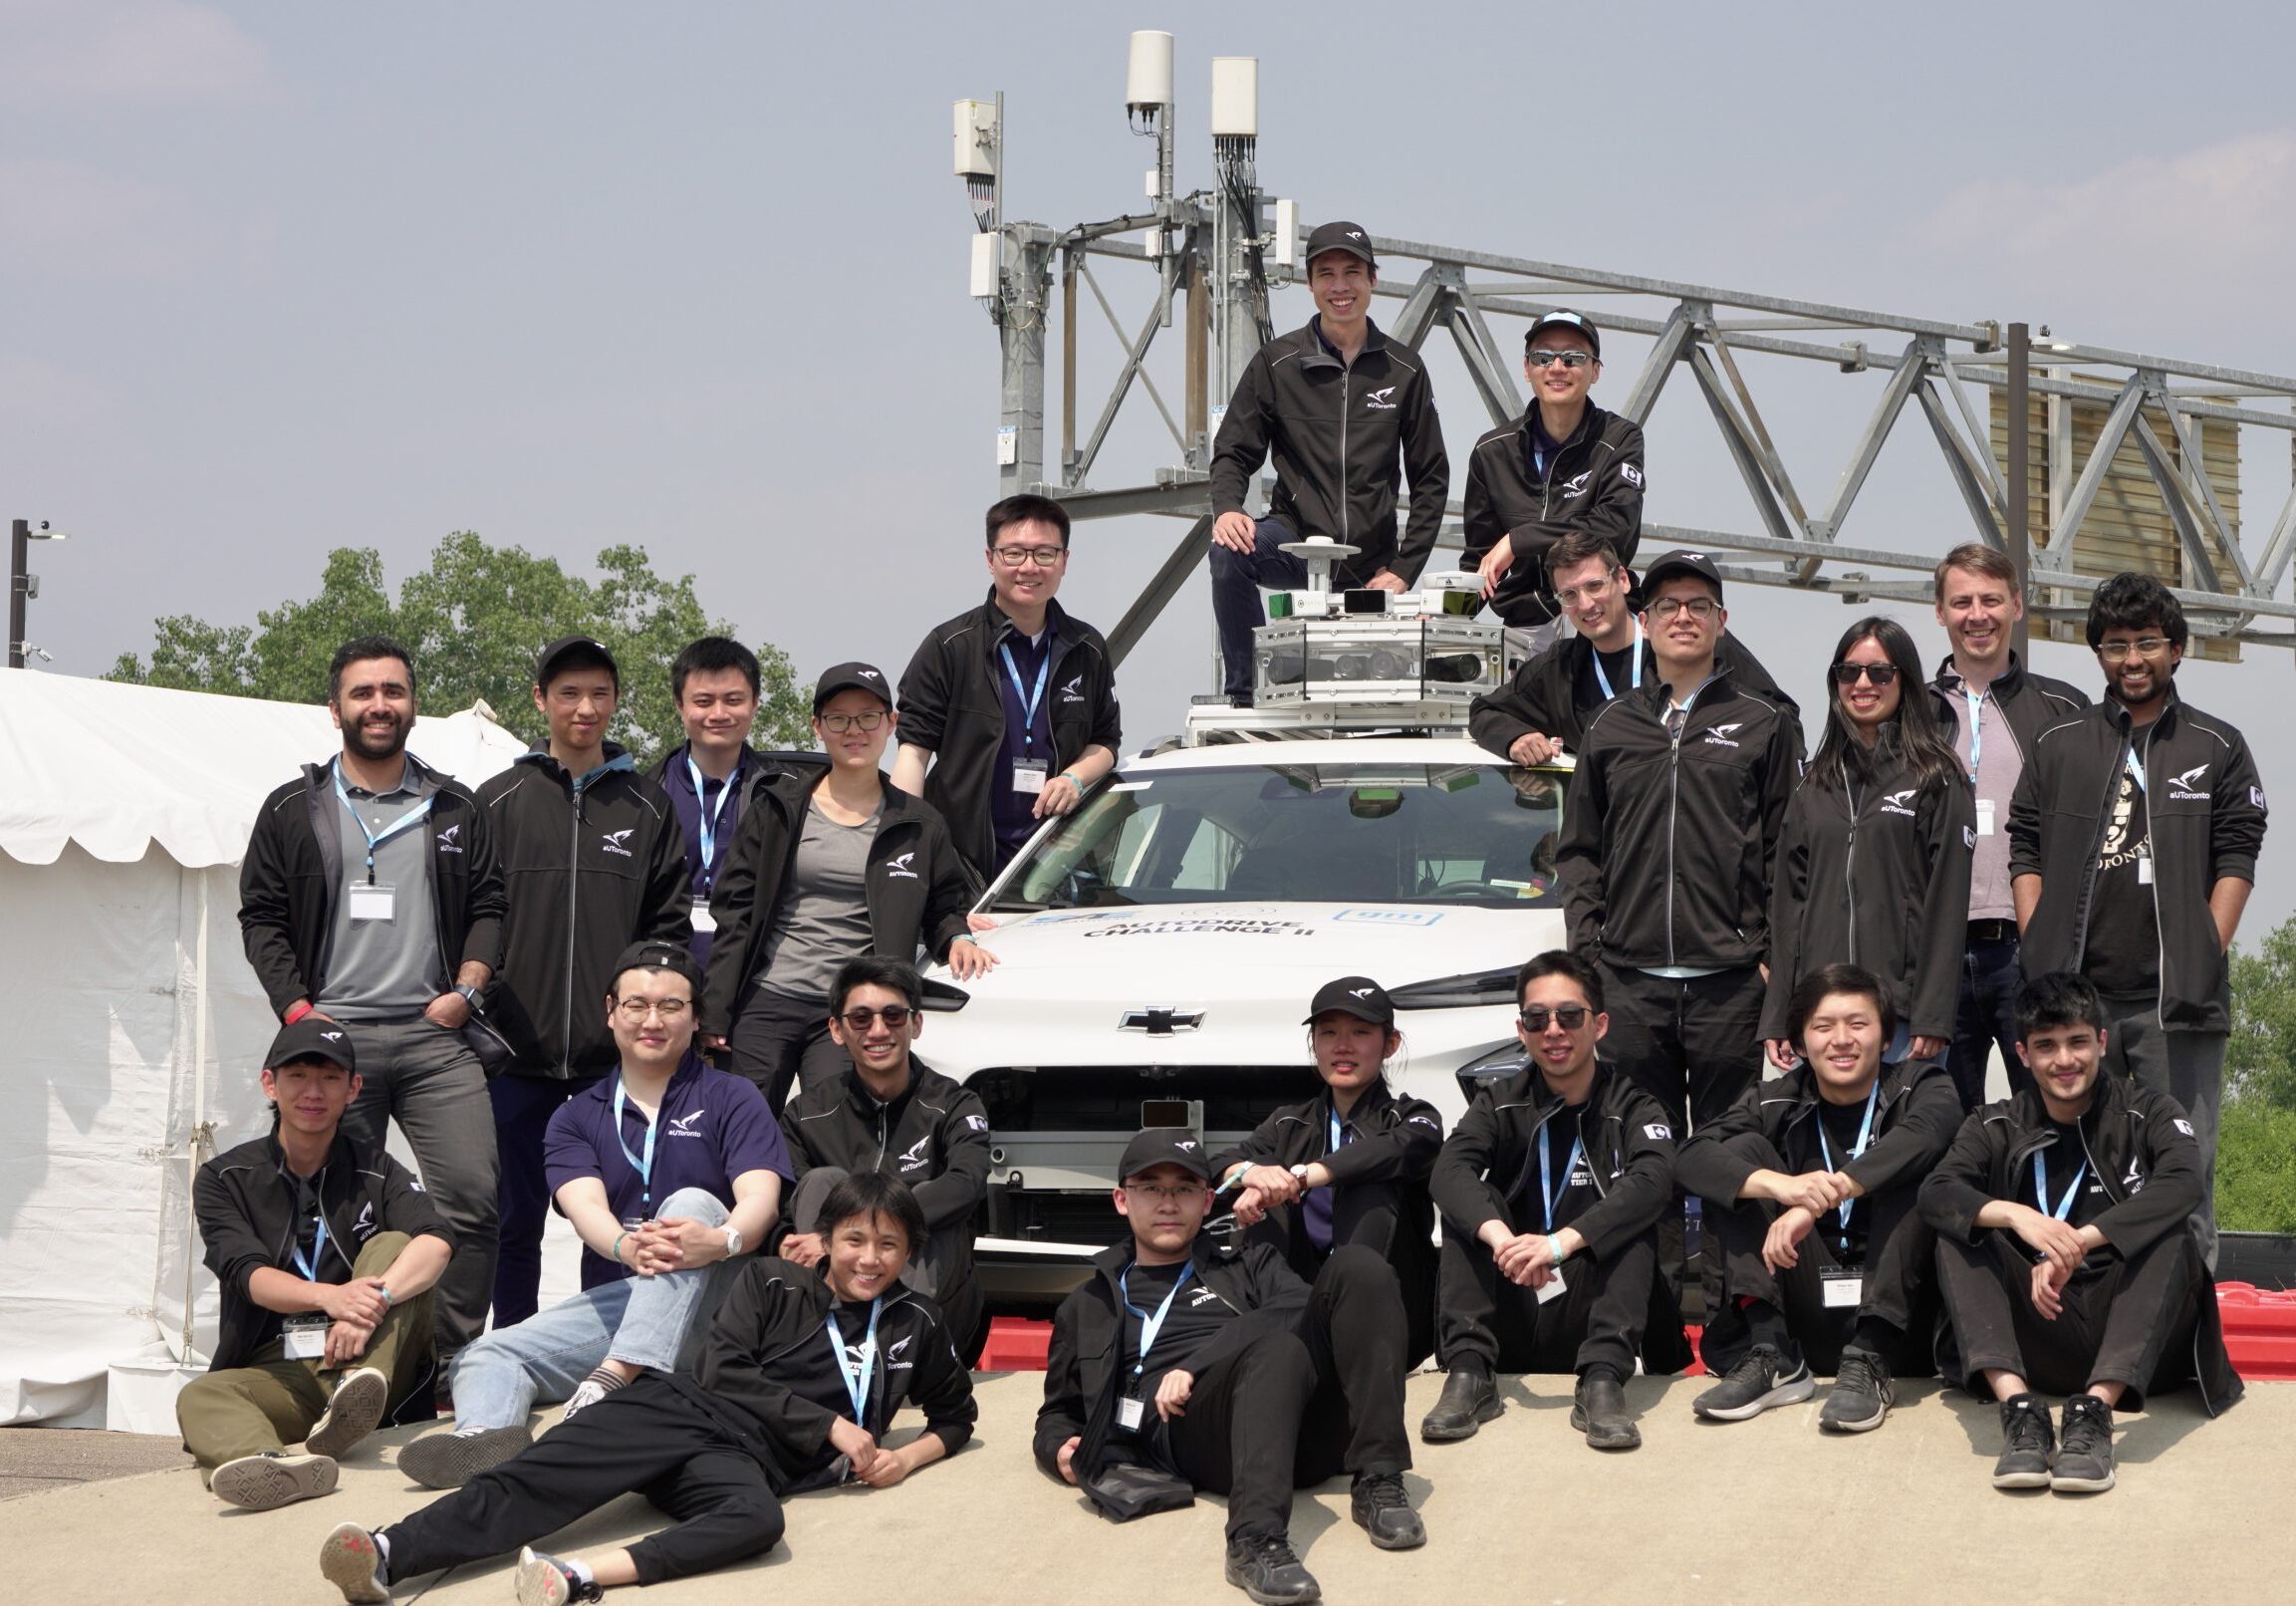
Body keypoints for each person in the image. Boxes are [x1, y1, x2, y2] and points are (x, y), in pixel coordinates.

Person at [319, 1173, 975, 1604]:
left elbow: (954, 1416)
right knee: (540, 1475)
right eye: (854, 1239)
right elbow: (722, 1370)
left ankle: (577, 1578)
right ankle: (385, 1552)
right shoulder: (773, 1281)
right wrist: (830, 1425)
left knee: (757, 1521)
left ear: (909, 1250)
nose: (870, 1258)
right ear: (823, 1242)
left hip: (747, 1463)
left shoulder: (916, 1322)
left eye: (888, 1244)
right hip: (680, 1410)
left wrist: (904, 1456)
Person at [397, 942, 791, 1490]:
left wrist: (721, 1241)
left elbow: (760, 1199)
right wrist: (628, 1249)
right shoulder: (575, 1116)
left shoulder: (734, 1096)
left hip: (719, 1303)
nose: (652, 1020)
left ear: (696, 1016)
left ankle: (615, 1378)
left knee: (690, 1207)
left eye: (671, 1006)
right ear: (611, 1011)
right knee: (485, 1352)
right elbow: (586, 1210)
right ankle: (485, 1441)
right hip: (624, 1301)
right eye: (637, 1005)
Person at [237, 636, 504, 1368]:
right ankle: (332, 1364)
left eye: (393, 690)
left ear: (414, 705)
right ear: (335, 710)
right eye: (363, 693)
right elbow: (259, 916)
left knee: (472, 1200)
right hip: (331, 1042)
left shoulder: (455, 806)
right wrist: (297, 1012)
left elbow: (489, 903)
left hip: (433, 1037)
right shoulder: (293, 808)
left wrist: (468, 989)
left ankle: (447, 1366)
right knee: (323, 1204)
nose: (379, 705)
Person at [1036, 1128, 1424, 1606]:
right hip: (1193, 1430)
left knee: (1359, 1266)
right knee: (1276, 1351)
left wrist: (1198, 1362)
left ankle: (1380, 1478)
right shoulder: (1088, 1303)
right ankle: (1254, 1540)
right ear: (1122, 1200)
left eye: (1184, 1189)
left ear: (1206, 1202)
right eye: (1150, 1188)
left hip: (1304, 1427)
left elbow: (1296, 1306)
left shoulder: (1247, 1260)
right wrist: (1057, 1448)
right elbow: (1057, 1411)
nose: (1167, 1202)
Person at [2009, 571, 2266, 1266]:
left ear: (2175, 648)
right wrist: (2037, 945)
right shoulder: (2058, 742)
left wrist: (2204, 948)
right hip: (2075, 1004)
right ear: (2097, 654)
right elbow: (2023, 842)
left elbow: (2238, 852)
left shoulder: (2216, 745)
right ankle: (2074, 1329)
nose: (2131, 658)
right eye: (2115, 644)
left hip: (2173, 1007)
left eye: (2146, 642)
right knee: (2069, 1173)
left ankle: (2184, 1345)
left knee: (2181, 1175)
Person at [1918, 972, 2240, 1494]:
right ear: (2022, 1053)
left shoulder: (2151, 1110)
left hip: (2139, 1338)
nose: (2064, 1060)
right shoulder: (1992, 1123)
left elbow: (2183, 1184)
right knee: (1959, 1232)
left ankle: (2095, 1414)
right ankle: (2021, 1412)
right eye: (2046, 1046)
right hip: (2040, 1328)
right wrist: (2016, 1216)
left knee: (2173, 1236)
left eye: (2077, 1042)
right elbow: (1937, 1192)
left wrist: (2081, 1240)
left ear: (2102, 1042)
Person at [477, 635, 693, 1328]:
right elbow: (469, 921)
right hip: (515, 1058)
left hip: (613, 1067)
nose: (585, 707)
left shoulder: (648, 806)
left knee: (616, 1228)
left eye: (600, 693)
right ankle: (506, 1351)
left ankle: (605, 1360)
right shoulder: (497, 802)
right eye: (568, 692)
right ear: (540, 700)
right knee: (515, 1224)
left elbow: (668, 927)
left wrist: (642, 1021)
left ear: (616, 702)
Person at [1556, 550, 1800, 1141]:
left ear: (1722, 620)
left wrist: (1772, 959)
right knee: (1644, 1161)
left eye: (1699, 605)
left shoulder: (1765, 722)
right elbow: (1580, 849)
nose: (1683, 616)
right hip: (1630, 983)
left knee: (1732, 1158)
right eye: (1667, 605)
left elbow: (1787, 854)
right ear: (1644, 620)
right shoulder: (1610, 724)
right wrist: (1590, 953)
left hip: (1732, 984)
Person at [178, 1018, 452, 1511]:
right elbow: (247, 1274)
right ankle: (274, 1466)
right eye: (298, 1075)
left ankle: (354, 1393)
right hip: (284, 1365)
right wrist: (332, 1298)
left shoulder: (379, 1168)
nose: (313, 1091)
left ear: (353, 1089)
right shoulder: (224, 1177)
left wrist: (370, 1303)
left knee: (395, 1242)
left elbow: (438, 1243)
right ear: (270, 1083)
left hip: (373, 1353)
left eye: (329, 1078)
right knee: (200, 1396)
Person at [1419, 951, 1688, 1451]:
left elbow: (1655, 1179)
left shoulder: (1633, 1103)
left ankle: (1604, 1382)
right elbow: (1448, 1171)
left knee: (1629, 1212)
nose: (1554, 1030)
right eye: (1537, 1019)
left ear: (1599, 1024)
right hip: (1516, 1290)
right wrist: (1505, 1242)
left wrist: (1559, 1245)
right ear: (1521, 1030)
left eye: (1569, 1016)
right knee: (1471, 1207)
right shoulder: (1499, 1098)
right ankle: (1470, 1374)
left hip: (1591, 1304)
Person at [1679, 964, 1959, 1431]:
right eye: (1823, 1027)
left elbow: (1929, 1134)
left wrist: (1825, 1196)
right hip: (1805, 1302)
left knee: (1916, 1169)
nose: (1841, 1039)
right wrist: (1783, 1186)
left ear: (1886, 1037)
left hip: (1897, 1319)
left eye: (1858, 1024)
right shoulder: (1774, 1099)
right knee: (1742, 1155)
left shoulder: (1920, 1086)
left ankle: (1870, 1358)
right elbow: (1690, 1157)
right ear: (1801, 1041)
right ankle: (1772, 1353)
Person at [704, 664, 991, 1111]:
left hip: (852, 1012)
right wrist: (716, 1008)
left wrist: (957, 936)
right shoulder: (776, 808)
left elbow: (943, 904)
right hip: (768, 997)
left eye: (868, 717)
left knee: (833, 1136)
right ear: (817, 727)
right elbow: (734, 911)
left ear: (891, 724)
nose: (853, 730)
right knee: (741, 1129)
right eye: (838, 718)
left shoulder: (920, 823)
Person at [1204, 219, 1449, 704]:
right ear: (1310, 283)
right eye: (1326, 274)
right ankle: (1247, 692)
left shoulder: (1404, 370)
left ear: (1373, 280)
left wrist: (1404, 568)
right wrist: (1228, 507)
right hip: (1296, 542)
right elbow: (1233, 449)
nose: (1340, 287)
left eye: (1352, 272)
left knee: (1382, 702)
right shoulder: (1277, 363)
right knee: (1227, 553)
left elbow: (1431, 478)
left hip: (1372, 561)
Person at [1761, 617, 1974, 1070]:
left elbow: (1948, 903)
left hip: (1900, 1021)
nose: (1862, 683)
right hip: (1821, 1017)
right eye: (1848, 671)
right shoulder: (1813, 783)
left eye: (1880, 672)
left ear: (1906, 681)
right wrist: (1778, 1015)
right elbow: (1787, 908)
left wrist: (1932, 1014)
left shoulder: (1938, 776)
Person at [1925, 543, 2088, 1111]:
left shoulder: (2064, 708)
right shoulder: (1910, 713)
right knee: (1943, 1126)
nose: (1978, 615)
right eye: (1962, 601)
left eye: (1992, 600)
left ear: (2017, 606)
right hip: (1934, 954)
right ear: (1939, 611)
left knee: (2051, 1115)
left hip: (2028, 949)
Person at [1209, 976, 1442, 1368]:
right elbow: (1216, 1164)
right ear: (1314, 1043)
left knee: (1367, 1183)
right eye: (1328, 1032)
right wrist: (1252, 1174)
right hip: (1302, 1306)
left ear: (1391, 1044)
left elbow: (1388, 1151)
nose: (1342, 1045)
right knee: (1265, 1176)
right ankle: (1273, 1326)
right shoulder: (1289, 1122)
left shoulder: (1413, 1117)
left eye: (1360, 1032)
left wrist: (1299, 1177)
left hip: (1388, 1317)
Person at [893, 494, 1123, 882]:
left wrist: (1074, 778)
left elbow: (1106, 743)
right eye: (1014, 553)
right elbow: (913, 754)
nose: (1029, 567)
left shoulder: (1087, 647)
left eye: (1044, 554)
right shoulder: (949, 646)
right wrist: (904, 848)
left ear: (1064, 561)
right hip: (962, 866)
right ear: (990, 559)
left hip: (1057, 869)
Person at [777, 956, 992, 1363]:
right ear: (837, 1031)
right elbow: (785, 1209)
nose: (878, 1030)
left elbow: (968, 1182)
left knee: (934, 1201)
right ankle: (834, 1348)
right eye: (861, 1019)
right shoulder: (806, 1112)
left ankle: (894, 1355)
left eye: (893, 1016)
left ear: (916, 1024)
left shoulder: (955, 1103)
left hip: (936, 1309)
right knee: (823, 1181)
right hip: (835, 1291)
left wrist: (871, 1224)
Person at [1466, 531, 1795, 768]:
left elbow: (1782, 720)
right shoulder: (1558, 671)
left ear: (1622, 579)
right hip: (1612, 846)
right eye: (1570, 595)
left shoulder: (1687, 638)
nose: (1586, 604)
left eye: (1595, 586)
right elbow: (1485, 711)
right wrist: (1515, 739)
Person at [1460, 310, 1645, 646]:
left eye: (1573, 357)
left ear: (1596, 371)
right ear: (1526, 369)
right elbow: (1481, 561)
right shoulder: (1492, 451)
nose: (1557, 367)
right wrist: (1443, 615)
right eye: (1543, 357)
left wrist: (1520, 540)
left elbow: (1615, 526)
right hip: (1524, 631)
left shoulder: (1620, 438)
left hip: (1602, 620)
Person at [648, 636, 768, 973]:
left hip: (752, 978)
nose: (719, 714)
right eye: (703, 701)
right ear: (679, 705)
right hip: (663, 978)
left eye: (733, 700)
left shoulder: (781, 795)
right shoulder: (646, 793)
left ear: (755, 703)